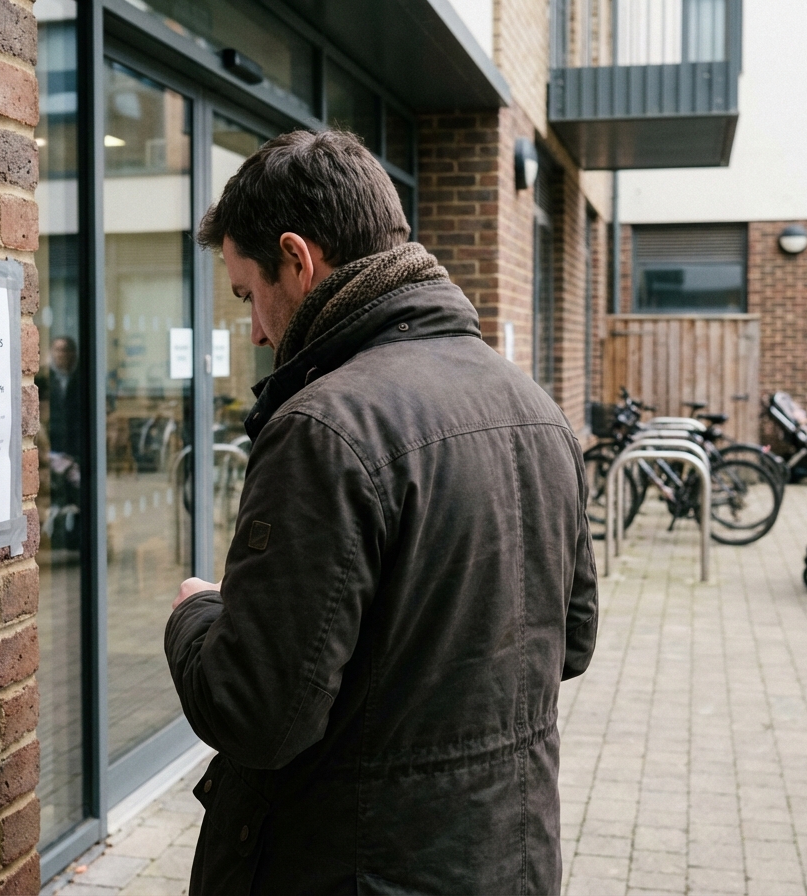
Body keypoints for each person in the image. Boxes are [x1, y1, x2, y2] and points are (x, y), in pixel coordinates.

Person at [163, 130, 598, 895]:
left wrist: (197, 617)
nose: (257, 331)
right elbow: (571, 641)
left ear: (297, 261)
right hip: (512, 858)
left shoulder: (325, 428)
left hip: (355, 868)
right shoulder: (535, 407)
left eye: (245, 296)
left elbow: (257, 713)